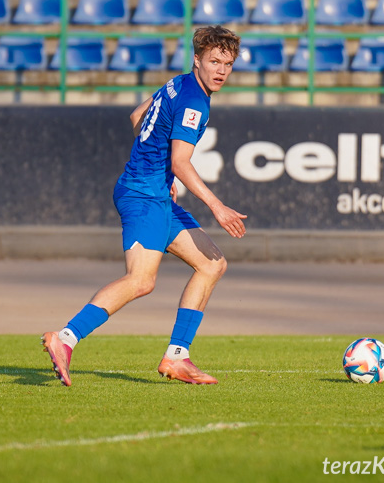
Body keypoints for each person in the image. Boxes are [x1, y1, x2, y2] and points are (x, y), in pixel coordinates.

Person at [42, 25, 246, 387]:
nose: (221, 70)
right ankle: (66, 338)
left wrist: (157, 170)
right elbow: (182, 162)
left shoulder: (177, 83)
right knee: (140, 281)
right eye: (214, 61)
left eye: (227, 64)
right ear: (196, 59)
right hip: (144, 195)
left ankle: (177, 357)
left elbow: (137, 118)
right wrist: (217, 206)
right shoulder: (195, 101)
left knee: (212, 263)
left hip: (152, 191)